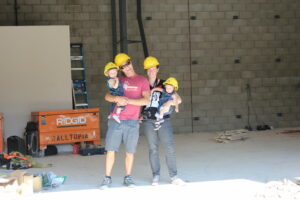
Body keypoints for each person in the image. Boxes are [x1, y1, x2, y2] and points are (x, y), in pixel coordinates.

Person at [100, 53, 150, 189]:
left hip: (132, 121)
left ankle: (128, 177)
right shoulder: (118, 80)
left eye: (127, 64)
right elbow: (107, 96)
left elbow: (146, 100)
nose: (126, 67)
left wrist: (128, 101)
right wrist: (116, 99)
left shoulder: (142, 80)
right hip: (116, 120)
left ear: (131, 62)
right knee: (110, 150)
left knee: (130, 152)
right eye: (122, 67)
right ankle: (107, 178)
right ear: (120, 69)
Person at [141, 56, 186, 186]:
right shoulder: (143, 84)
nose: (151, 71)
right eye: (148, 69)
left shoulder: (166, 83)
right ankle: (156, 176)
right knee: (153, 149)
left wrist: (170, 102)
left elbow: (179, 99)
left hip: (164, 120)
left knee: (169, 147)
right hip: (149, 120)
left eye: (153, 68)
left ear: (158, 68)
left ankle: (174, 176)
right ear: (146, 71)